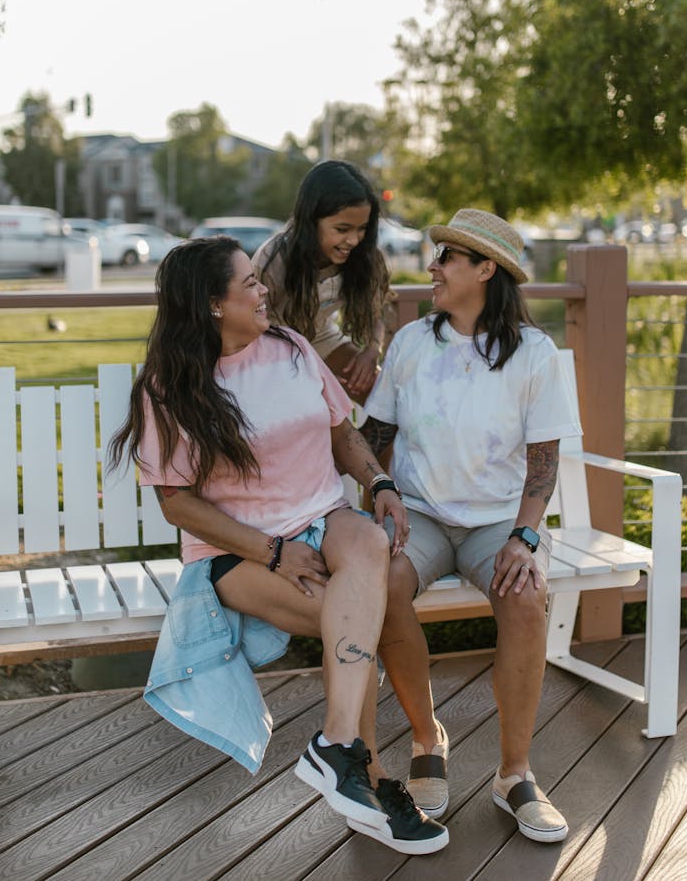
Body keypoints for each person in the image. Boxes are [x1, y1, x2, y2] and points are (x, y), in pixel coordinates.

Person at [109, 234, 449, 856]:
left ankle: (337, 747)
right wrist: (270, 550)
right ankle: (368, 781)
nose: (265, 289)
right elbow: (176, 503)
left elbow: (340, 431)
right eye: (249, 284)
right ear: (213, 304)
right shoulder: (170, 387)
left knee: (369, 546)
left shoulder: (291, 348)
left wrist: (378, 482)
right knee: (360, 620)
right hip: (233, 554)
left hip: (325, 516)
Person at [360, 208, 581, 844]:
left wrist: (526, 536)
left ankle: (515, 776)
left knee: (525, 595)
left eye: (446, 259)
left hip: (498, 524)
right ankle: (429, 741)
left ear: (486, 270)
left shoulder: (533, 354)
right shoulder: (410, 343)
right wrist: (377, 494)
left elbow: (544, 458)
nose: (431, 267)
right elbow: (377, 435)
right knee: (386, 583)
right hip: (421, 515)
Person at [252, 159, 395, 402]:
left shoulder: (364, 257)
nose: (353, 240)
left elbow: (377, 313)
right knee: (315, 407)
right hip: (271, 351)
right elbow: (251, 328)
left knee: (383, 399)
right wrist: (310, 372)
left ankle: (371, 441)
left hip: (321, 337)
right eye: (342, 229)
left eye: (361, 228)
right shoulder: (273, 260)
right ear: (311, 221)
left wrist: (372, 351)